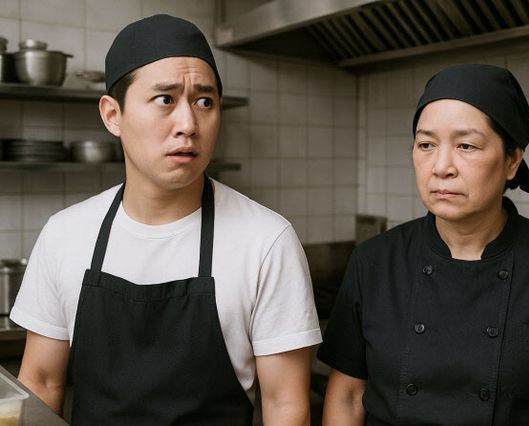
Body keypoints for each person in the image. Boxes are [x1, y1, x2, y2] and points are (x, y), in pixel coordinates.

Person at [10, 14, 321, 425]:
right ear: (112, 115)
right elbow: (41, 382)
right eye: (165, 100)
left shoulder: (267, 240)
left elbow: (285, 406)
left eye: (204, 102)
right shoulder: (65, 234)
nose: (188, 125)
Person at [317, 64, 529, 425]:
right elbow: (347, 398)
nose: (441, 167)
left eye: (466, 145)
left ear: (512, 161)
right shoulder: (374, 262)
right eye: (426, 144)